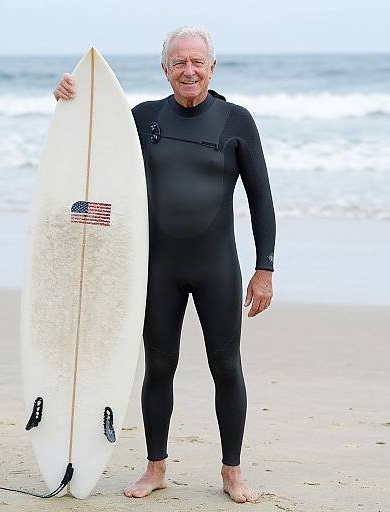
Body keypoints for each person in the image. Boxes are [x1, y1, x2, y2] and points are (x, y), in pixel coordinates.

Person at [54, 25, 276, 504]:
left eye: (198, 61)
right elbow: (92, 152)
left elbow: (260, 197)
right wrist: (68, 100)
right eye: (179, 62)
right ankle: (155, 467)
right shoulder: (141, 119)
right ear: (165, 69)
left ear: (212, 67)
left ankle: (232, 472)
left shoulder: (236, 121)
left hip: (217, 266)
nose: (189, 70)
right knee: (158, 366)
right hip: (157, 269)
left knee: (226, 367)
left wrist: (265, 268)